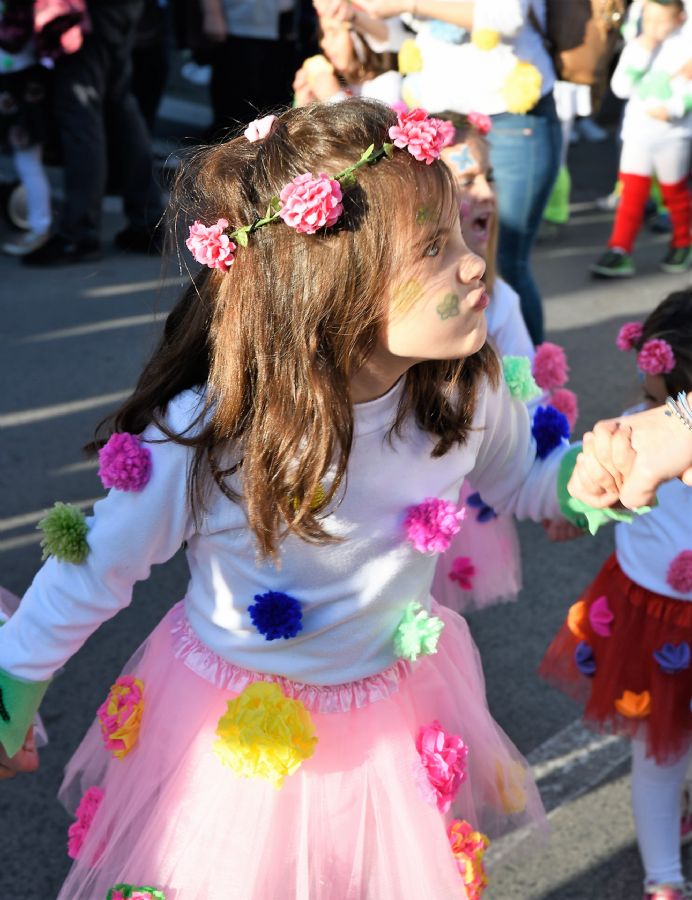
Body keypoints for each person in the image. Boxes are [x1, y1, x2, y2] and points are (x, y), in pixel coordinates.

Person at [0, 100, 610, 899]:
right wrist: (12, 693)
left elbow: (527, 480)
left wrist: (602, 475)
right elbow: (92, 570)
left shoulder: (470, 388)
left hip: (387, 723)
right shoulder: (212, 428)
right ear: (336, 287)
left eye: (462, 233)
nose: (472, 264)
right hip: (231, 743)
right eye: (434, 246)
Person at [540, 288, 692, 900]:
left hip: (655, 611)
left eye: (666, 406)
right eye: (653, 401)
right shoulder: (627, 433)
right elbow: (579, 487)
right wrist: (568, 509)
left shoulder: (639, 429)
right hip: (650, 623)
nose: (649, 415)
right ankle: (663, 877)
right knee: (660, 751)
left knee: (669, 751)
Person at [431, 108, 579, 612]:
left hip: (468, 479)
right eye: (467, 180)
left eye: (489, 177)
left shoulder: (502, 301)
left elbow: (529, 402)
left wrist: (562, 482)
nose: (488, 193)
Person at [353, 0, 562, 345]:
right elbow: (396, 38)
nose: (487, 191)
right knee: (438, 261)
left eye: (488, 181)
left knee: (504, 262)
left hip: (508, 117)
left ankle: (527, 378)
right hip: (439, 122)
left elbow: (506, 17)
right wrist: (358, 17)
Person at [22, 0, 165, 266]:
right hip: (118, 12)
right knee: (119, 106)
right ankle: (147, 223)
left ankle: (79, 232)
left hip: (84, 15)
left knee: (81, 115)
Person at [591, 0, 691, 279]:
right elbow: (621, 88)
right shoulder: (637, 46)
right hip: (637, 133)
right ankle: (620, 249)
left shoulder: (686, 48)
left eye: (662, 21)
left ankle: (683, 242)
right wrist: (638, 57)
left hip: (674, 135)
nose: (654, 28)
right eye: (648, 20)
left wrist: (673, 109)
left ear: (680, 18)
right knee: (631, 193)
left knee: (674, 193)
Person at [0, 0, 53, 255]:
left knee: (27, 159)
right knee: (26, 160)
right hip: (17, 79)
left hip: (21, 82)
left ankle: (39, 227)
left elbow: (16, 37)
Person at [292, 13, 400, 105]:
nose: (323, 43)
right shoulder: (340, 85)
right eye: (323, 35)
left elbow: (370, 129)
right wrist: (305, 106)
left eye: (333, 32)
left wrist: (334, 97)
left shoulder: (387, 83)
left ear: (359, 36)